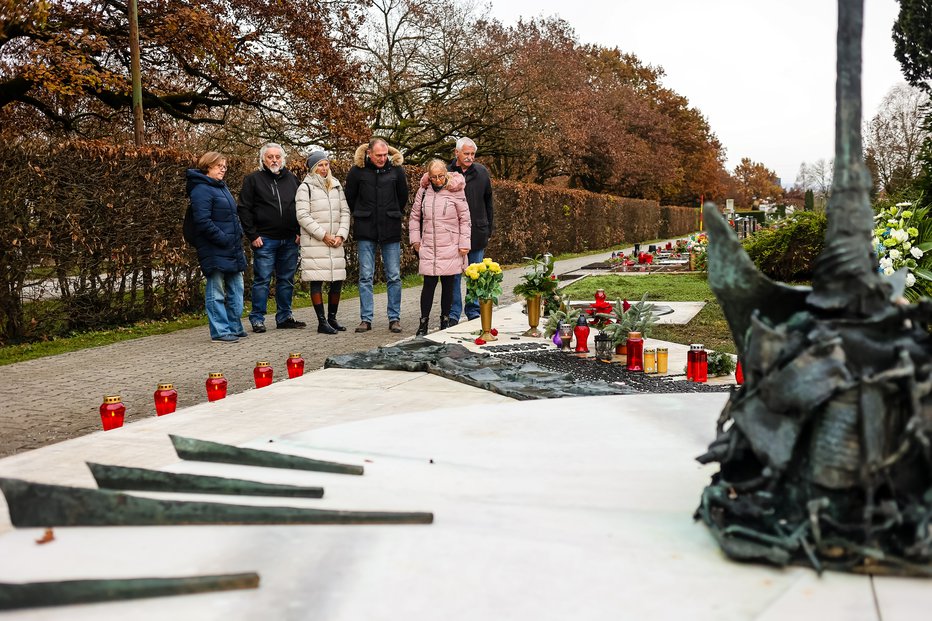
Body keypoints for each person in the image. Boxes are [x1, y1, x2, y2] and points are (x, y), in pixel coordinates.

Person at [237, 143, 305, 333]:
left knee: (286, 280)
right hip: (265, 239)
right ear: (263, 160)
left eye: (277, 157)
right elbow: (244, 208)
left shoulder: (292, 179)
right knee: (262, 280)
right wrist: (252, 234)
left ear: (283, 159)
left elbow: (302, 206)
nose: (274, 160)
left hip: (290, 240)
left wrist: (300, 231)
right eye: (270, 157)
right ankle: (257, 318)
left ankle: (284, 317)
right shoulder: (253, 180)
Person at [345, 137, 409, 333]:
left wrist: (392, 213)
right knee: (365, 276)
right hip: (366, 229)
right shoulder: (357, 171)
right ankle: (366, 319)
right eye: (378, 155)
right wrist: (363, 213)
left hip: (390, 228)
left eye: (384, 155)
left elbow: (402, 197)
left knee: (394, 276)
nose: (382, 158)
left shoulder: (397, 171)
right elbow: (350, 197)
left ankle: (394, 318)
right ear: (369, 154)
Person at [186, 152, 248, 342]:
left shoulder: (222, 187)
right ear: (207, 166)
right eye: (219, 165)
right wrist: (223, 239)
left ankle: (234, 326)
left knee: (237, 289)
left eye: (225, 166)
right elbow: (203, 221)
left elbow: (232, 216)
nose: (223, 169)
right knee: (216, 292)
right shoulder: (201, 189)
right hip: (214, 248)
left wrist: (238, 234)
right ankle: (220, 332)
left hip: (231, 247)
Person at [409, 160, 471, 335]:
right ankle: (423, 323)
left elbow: (465, 219)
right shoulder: (423, 191)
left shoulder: (456, 190)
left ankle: (445, 321)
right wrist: (415, 240)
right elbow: (415, 217)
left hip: (451, 244)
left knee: (448, 285)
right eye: (434, 176)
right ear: (428, 175)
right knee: (428, 284)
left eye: (440, 176)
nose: (437, 180)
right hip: (429, 244)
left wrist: (464, 243)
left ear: (446, 173)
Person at [296, 149, 351, 334]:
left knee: (337, 280)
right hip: (316, 242)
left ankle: (332, 318)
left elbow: (345, 211)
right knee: (316, 280)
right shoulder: (305, 187)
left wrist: (341, 235)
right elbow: (302, 215)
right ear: (313, 167)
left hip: (335, 241)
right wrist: (323, 235)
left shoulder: (336, 185)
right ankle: (321, 322)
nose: (324, 168)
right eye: (320, 165)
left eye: (326, 164)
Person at [447, 137, 494, 325]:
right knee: (454, 276)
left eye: (472, 154)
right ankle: (453, 312)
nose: (469, 157)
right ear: (456, 153)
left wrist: (489, 228)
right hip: (454, 234)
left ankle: (473, 309)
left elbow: (488, 202)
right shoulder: (447, 173)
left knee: (475, 274)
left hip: (477, 231)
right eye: (466, 153)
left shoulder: (482, 172)